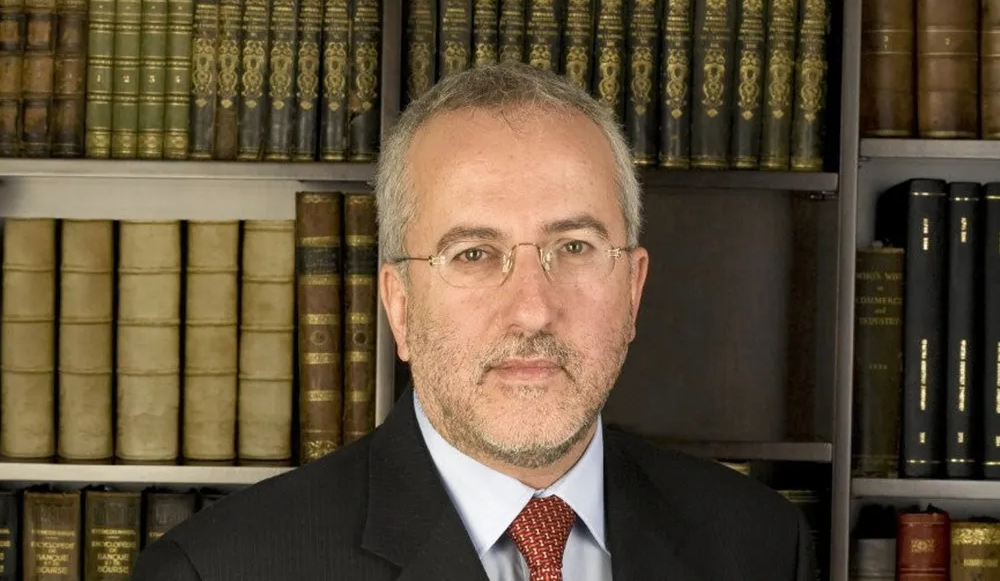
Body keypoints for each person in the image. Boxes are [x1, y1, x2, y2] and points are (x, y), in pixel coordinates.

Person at [130, 62, 817, 581]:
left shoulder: (759, 545)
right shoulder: (217, 568)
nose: (532, 310)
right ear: (399, 304)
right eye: (474, 254)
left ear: (633, 290)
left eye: (574, 248)